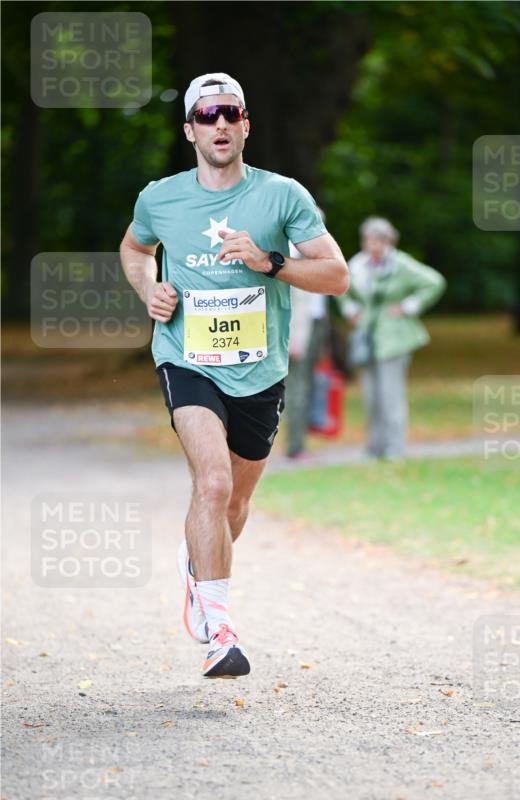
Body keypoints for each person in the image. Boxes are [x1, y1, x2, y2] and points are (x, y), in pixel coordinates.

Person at [119, 73, 348, 678]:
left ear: (245, 125)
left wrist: (269, 261)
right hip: (186, 358)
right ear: (190, 129)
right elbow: (135, 250)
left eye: (231, 114)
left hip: (260, 370)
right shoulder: (159, 198)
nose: (220, 124)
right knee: (213, 483)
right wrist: (150, 289)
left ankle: (196, 565)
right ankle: (220, 632)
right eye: (207, 115)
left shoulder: (282, 196)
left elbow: (336, 275)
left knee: (236, 502)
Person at [339, 217, 445, 460]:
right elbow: (340, 286)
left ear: (388, 241)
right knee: (371, 397)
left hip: (394, 339)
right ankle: (374, 449)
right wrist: (351, 310)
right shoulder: (357, 265)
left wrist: (409, 306)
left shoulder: (400, 265)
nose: (371, 245)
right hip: (367, 338)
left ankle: (395, 449)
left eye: (377, 240)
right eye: (367, 239)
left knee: (391, 397)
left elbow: (434, 282)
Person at [285, 226, 331, 459]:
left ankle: (302, 440)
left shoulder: (321, 257)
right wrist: (294, 340)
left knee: (308, 385)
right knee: (296, 388)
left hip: (316, 327)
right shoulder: (289, 258)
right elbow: (291, 306)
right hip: (297, 333)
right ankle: (295, 446)